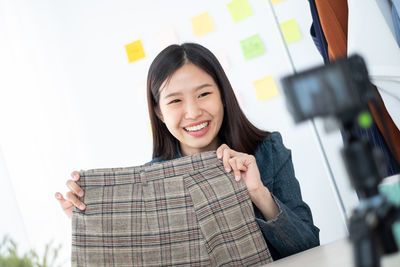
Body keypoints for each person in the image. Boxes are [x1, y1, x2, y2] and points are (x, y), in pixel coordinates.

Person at [55, 43, 320, 260]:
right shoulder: (148, 182)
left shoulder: (268, 151)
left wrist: (258, 193)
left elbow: (310, 249)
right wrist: (87, 221)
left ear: (223, 96)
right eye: (175, 101)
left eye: (204, 94)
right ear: (159, 112)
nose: (193, 112)